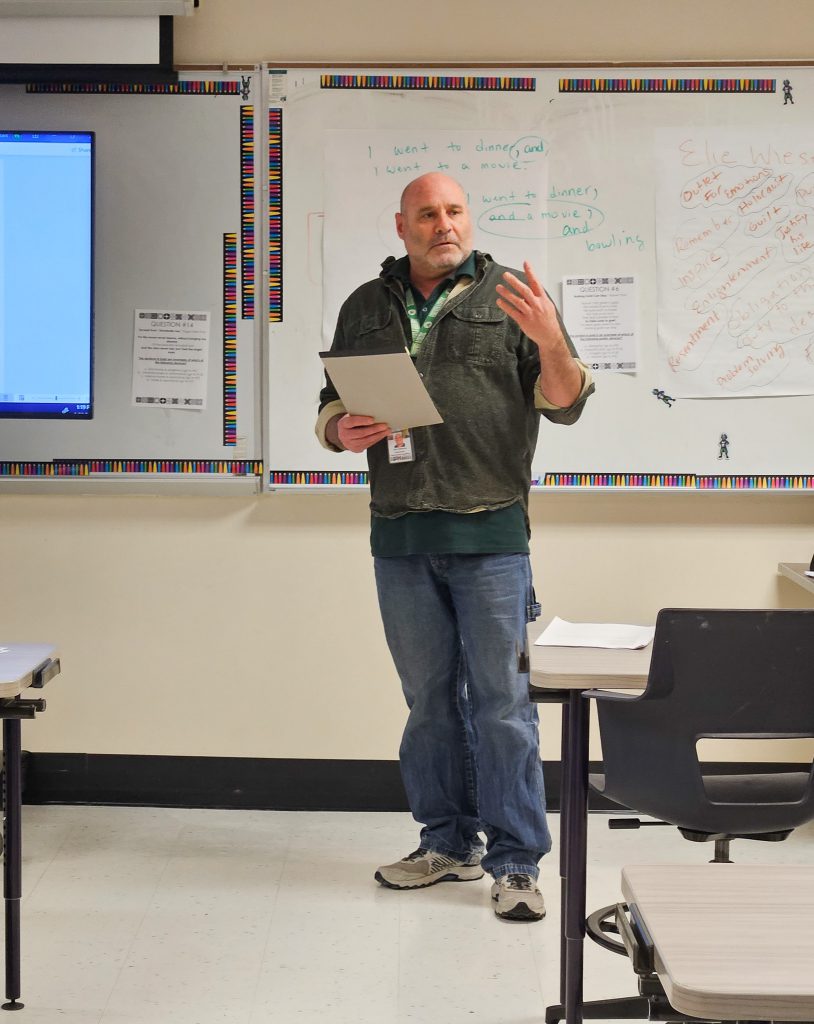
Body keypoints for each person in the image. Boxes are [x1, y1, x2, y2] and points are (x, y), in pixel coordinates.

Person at [315, 172, 594, 921]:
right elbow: (332, 408)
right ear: (402, 226)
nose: (445, 225)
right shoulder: (365, 306)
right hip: (400, 533)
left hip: (492, 533)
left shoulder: (513, 299)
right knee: (428, 704)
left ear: (469, 219)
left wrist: (551, 339)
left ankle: (515, 862)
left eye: (455, 211)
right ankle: (445, 843)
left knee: (504, 705)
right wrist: (341, 430)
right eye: (428, 214)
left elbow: (565, 402)